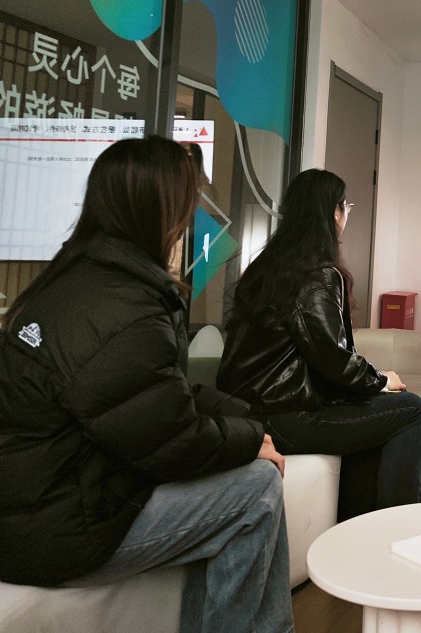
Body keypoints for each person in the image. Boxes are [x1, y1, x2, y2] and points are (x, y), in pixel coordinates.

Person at [0, 136, 291, 633]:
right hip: (52, 531)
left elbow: (151, 398)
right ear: (157, 213)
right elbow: (171, 442)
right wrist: (251, 441)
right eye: (185, 206)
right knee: (256, 487)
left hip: (41, 503)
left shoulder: (77, 278)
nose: (188, 221)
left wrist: (250, 421)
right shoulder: (123, 308)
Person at [218, 169, 421, 520]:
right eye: (346, 206)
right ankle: (399, 527)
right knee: (411, 409)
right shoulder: (317, 274)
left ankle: (358, 524)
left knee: (375, 412)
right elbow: (334, 358)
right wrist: (381, 379)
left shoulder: (267, 266)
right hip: (285, 416)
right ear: (334, 213)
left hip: (250, 411)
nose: (347, 213)